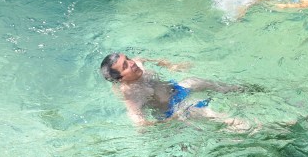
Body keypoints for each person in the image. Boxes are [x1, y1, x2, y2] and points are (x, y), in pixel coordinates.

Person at [99, 53, 248, 129]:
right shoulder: (130, 94)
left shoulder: (137, 63)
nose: (132, 63)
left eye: (128, 59)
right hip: (172, 108)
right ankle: (241, 126)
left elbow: (147, 59)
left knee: (195, 81)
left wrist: (172, 66)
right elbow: (140, 123)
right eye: (125, 66)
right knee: (199, 111)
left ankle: (238, 89)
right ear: (120, 79)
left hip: (175, 89)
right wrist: (171, 120)